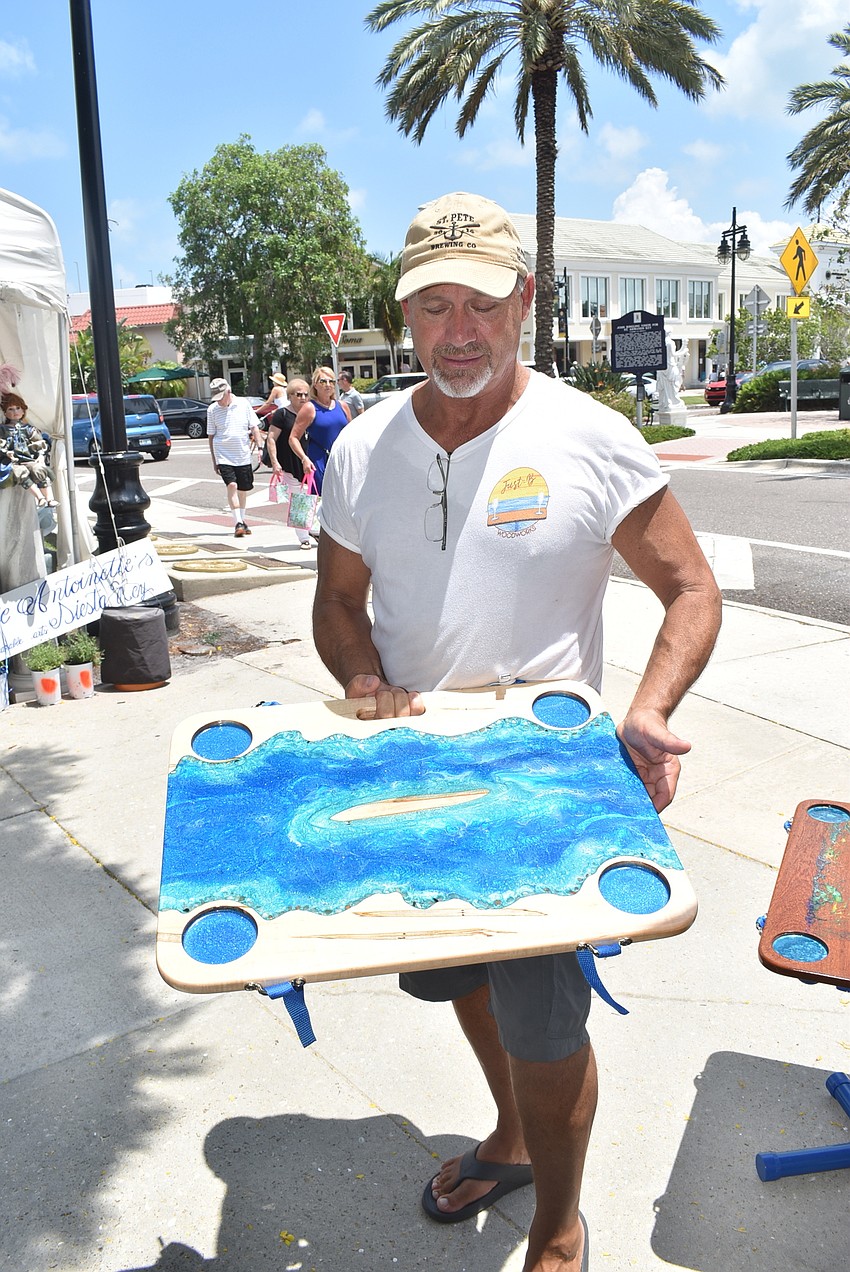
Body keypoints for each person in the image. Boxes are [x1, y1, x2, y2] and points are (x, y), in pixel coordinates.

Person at [313, 192, 722, 1272]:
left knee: (547, 1026)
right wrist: (359, 672)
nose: (457, 331)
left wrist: (648, 709)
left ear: (525, 303)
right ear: (403, 317)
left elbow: (688, 588)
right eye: (433, 307)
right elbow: (337, 600)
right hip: (412, 779)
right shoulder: (357, 449)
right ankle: (507, 1137)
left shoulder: (588, 436)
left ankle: (558, 1225)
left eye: (481, 306)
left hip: (544, 788)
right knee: (462, 980)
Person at [206, 378, 265, 538]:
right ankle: (238, 522)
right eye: (216, 398)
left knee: (243, 490)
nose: (219, 401)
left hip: (242, 455)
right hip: (223, 455)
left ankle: (242, 520)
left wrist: (260, 447)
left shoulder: (243, 404)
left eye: (221, 397)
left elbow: (254, 426)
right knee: (231, 485)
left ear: (228, 392)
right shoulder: (212, 410)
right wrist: (214, 461)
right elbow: (211, 436)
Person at [288, 367, 351, 493]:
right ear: (315, 385)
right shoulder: (310, 408)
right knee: (323, 501)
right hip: (320, 461)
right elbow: (293, 438)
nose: (328, 385)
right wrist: (304, 458)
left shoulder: (342, 406)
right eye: (323, 382)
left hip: (342, 459)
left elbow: (352, 432)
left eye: (331, 381)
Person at [265, 377, 312, 547]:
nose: (302, 397)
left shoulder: (311, 412)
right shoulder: (282, 414)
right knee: (298, 498)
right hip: (289, 464)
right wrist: (275, 462)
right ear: (290, 395)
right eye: (298, 394)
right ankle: (304, 537)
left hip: (309, 461)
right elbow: (271, 438)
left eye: (306, 394)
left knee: (309, 497)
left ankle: (310, 530)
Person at [0, 391, 56, 507]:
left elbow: (38, 443)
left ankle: (49, 498)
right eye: (10, 409)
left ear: (23, 410)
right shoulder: (3, 430)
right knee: (20, 472)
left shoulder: (29, 429)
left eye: (18, 408)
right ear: (5, 412)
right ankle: (40, 497)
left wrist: (40, 456)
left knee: (39, 469)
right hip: (12, 462)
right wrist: (7, 453)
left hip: (28, 459)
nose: (15, 412)